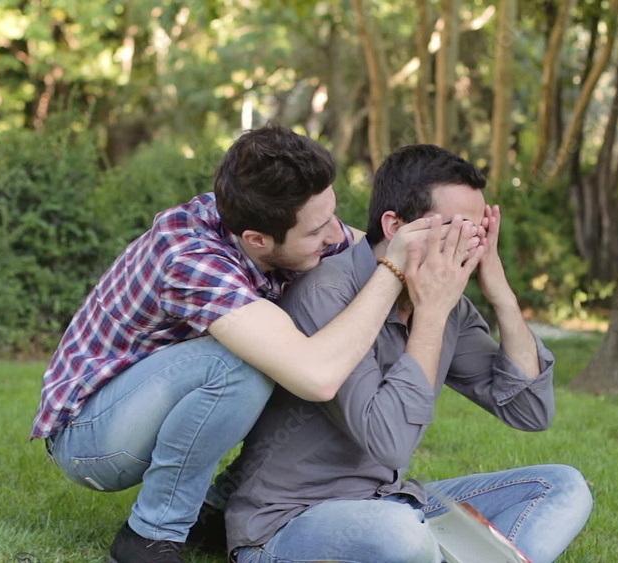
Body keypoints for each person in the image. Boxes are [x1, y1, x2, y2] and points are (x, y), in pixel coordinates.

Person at [29, 127, 481, 563]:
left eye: (332, 216)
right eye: (316, 231)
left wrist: (431, 255)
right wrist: (393, 271)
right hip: (92, 437)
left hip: (157, 405)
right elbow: (318, 377)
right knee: (240, 366)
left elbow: (367, 250)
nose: (333, 236)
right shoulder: (190, 257)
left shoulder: (277, 216)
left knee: (285, 340)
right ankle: (150, 535)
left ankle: (215, 509)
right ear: (257, 241)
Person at [219, 144, 594, 563]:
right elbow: (390, 443)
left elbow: (530, 411)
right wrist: (431, 314)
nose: (469, 244)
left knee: (563, 486)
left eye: (478, 231)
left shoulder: (449, 305)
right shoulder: (326, 293)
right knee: (400, 534)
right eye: (455, 228)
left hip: (392, 502)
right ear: (396, 226)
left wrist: (501, 294)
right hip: (291, 522)